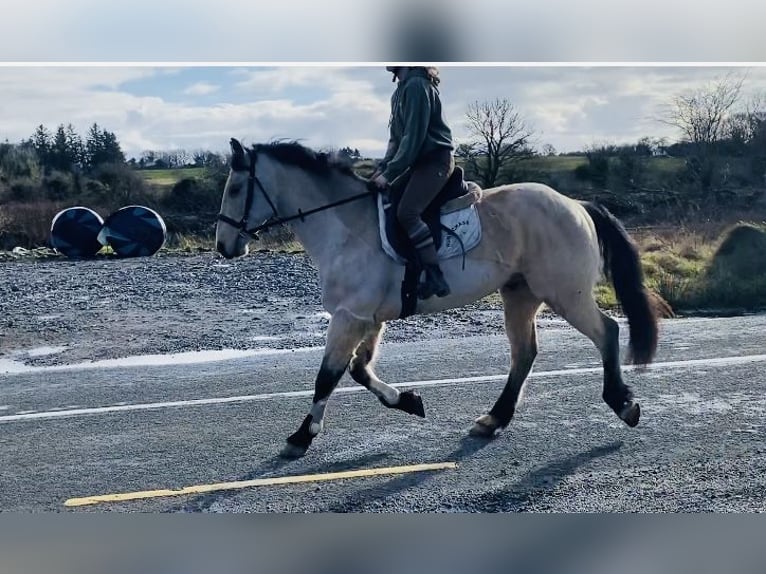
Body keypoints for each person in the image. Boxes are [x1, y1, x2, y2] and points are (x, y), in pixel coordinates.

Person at [371, 66, 455, 299]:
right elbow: (396, 140)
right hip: (418, 163)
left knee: (407, 212)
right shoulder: (400, 91)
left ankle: (435, 275)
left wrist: (389, 174)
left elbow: (413, 139)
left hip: (434, 162)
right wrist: (383, 167)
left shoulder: (417, 86)